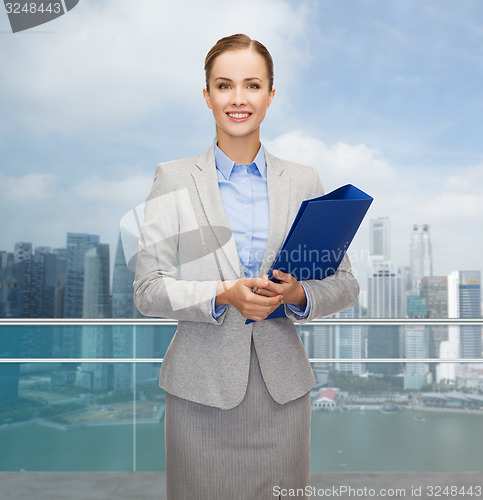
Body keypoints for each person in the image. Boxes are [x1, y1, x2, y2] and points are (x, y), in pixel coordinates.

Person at [133, 33, 359, 500]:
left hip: (283, 394)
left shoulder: (304, 180)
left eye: (252, 85)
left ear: (270, 96)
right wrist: (222, 292)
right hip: (200, 393)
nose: (238, 99)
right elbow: (148, 290)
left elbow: (345, 283)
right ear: (207, 96)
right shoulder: (173, 178)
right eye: (224, 86)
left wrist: (297, 294)